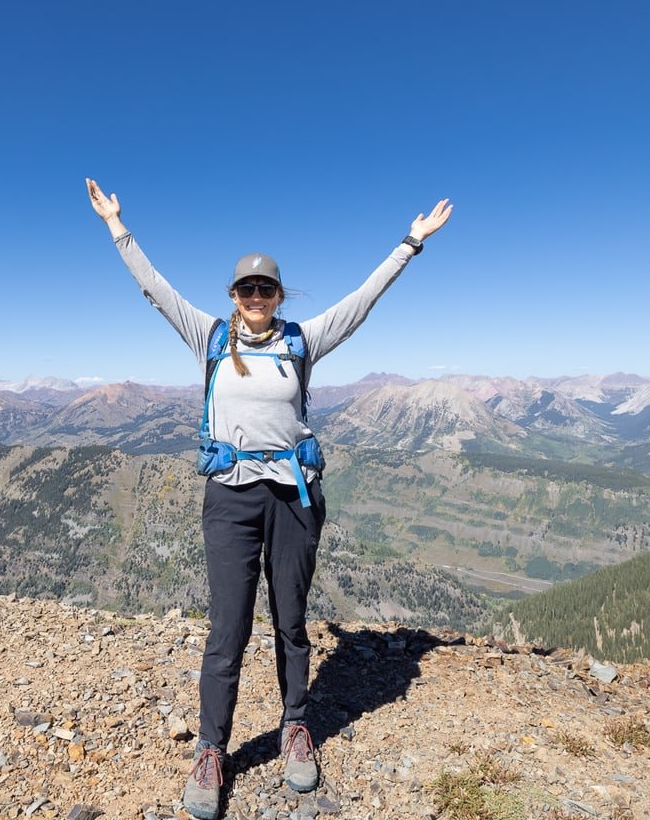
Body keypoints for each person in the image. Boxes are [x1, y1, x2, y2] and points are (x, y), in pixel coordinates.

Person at [85, 177, 453, 820]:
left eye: (267, 288)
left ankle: (295, 727)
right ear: (233, 296)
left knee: (289, 619)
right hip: (229, 498)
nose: (256, 297)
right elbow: (157, 291)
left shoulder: (302, 340)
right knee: (227, 627)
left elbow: (360, 302)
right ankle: (211, 750)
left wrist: (410, 244)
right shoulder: (207, 338)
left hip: (293, 496)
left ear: (280, 295)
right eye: (246, 288)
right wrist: (118, 227)